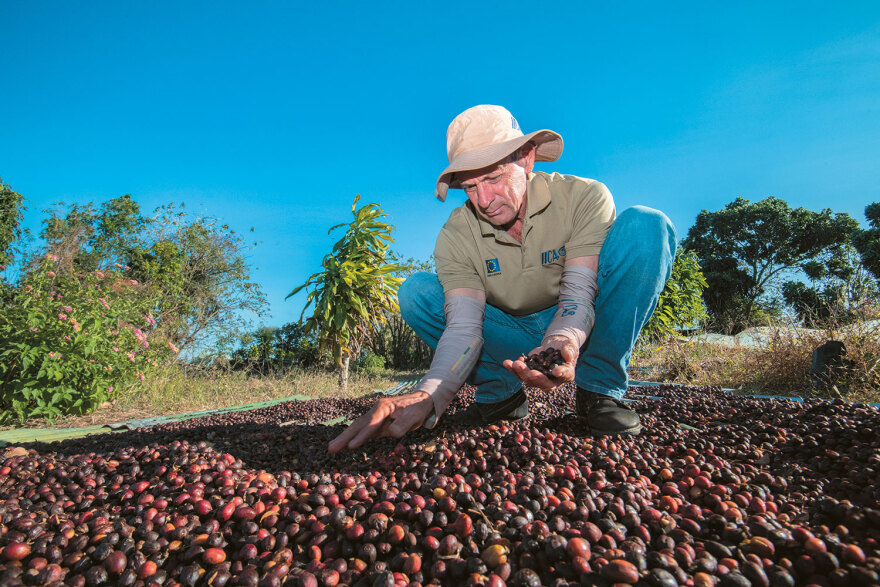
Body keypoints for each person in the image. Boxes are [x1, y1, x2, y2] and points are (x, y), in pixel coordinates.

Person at [328, 105, 676, 453]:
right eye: (470, 187)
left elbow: (578, 297)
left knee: (646, 226)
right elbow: (462, 328)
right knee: (416, 293)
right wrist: (428, 395)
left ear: (526, 158)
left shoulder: (583, 197)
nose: (484, 200)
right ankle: (500, 396)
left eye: (493, 179)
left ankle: (598, 390)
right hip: (510, 335)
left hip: (586, 323)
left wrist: (561, 343)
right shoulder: (456, 236)